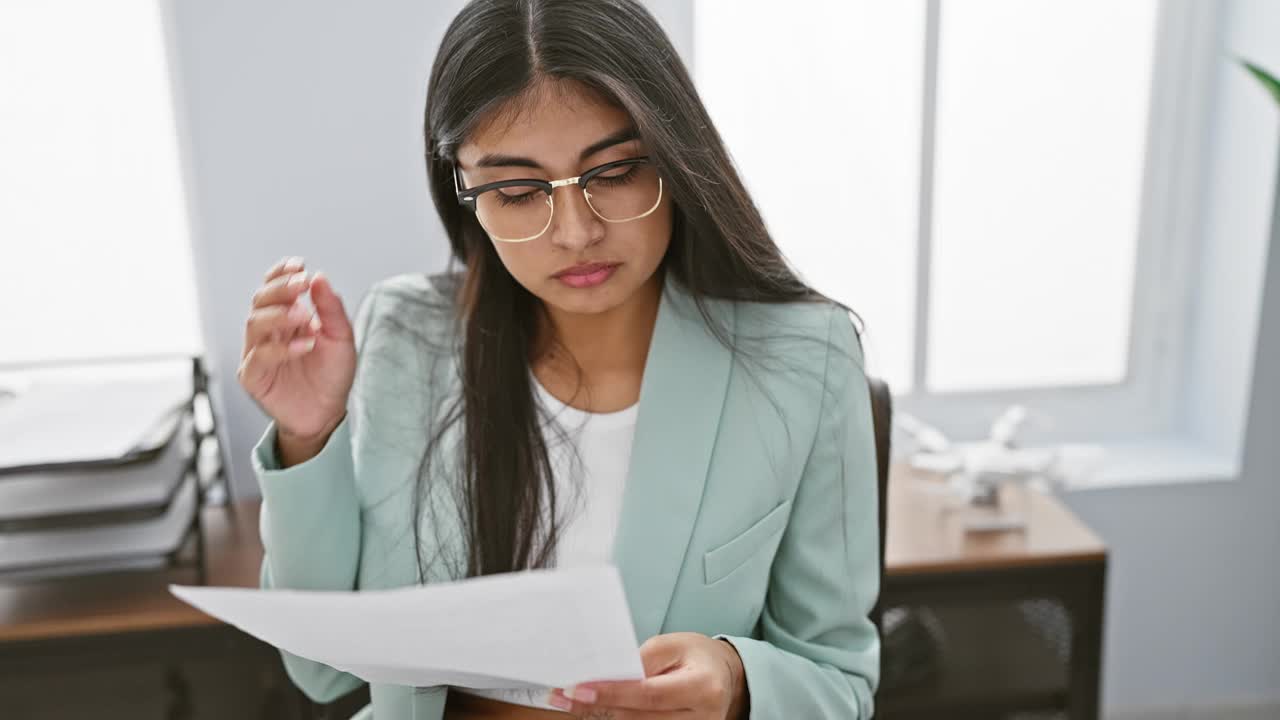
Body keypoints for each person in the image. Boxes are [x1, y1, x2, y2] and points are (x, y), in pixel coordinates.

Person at [237, 1, 880, 718]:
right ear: (465, 191)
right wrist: (309, 434)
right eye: (517, 191)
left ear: (675, 155)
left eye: (615, 172)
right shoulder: (408, 335)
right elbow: (321, 674)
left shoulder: (804, 361)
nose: (575, 232)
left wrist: (735, 680)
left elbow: (840, 679)